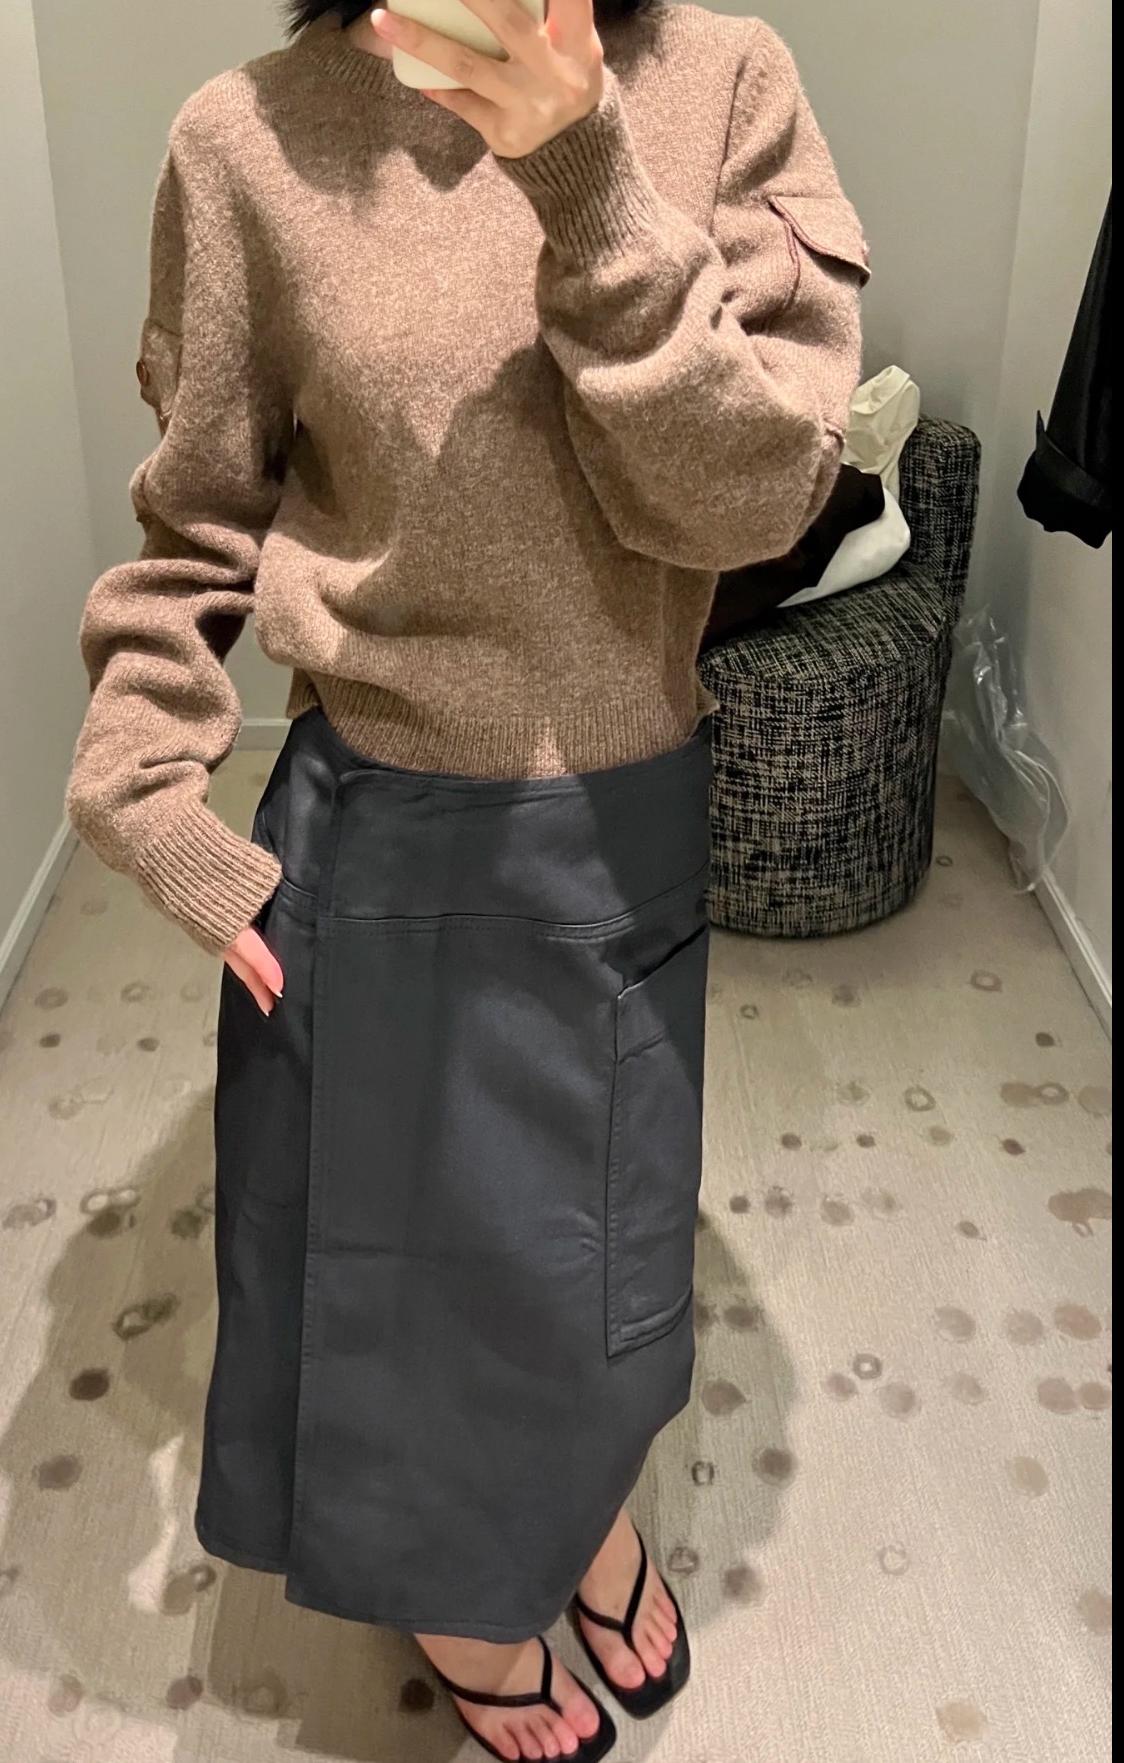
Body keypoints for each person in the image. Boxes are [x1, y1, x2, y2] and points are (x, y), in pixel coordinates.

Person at [66, 2, 866, 1757]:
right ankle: (463, 1606)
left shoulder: (723, 81)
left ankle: (581, 1523)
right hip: (384, 820)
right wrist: (145, 788)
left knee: (602, 1263)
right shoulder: (249, 137)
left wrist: (581, 175)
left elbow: (751, 501)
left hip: (622, 814)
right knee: (400, 1287)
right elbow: (196, 523)